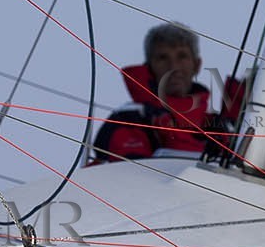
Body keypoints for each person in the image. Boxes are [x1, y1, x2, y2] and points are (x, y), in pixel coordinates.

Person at [91, 23, 243, 164]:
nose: (173, 66)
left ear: (197, 65)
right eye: (163, 58)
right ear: (149, 67)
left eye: (182, 56)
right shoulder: (129, 119)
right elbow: (130, 178)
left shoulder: (219, 128)